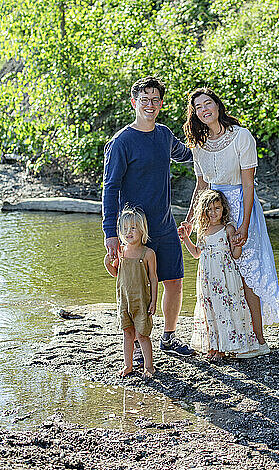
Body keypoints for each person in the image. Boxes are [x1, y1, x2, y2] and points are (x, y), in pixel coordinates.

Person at [180, 88, 279, 358]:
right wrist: (191, 221)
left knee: (248, 275)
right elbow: (201, 185)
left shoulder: (241, 136)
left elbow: (249, 184)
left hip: (240, 207)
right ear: (195, 114)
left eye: (208, 103)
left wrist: (245, 225)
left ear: (217, 106)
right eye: (198, 107)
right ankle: (231, 339)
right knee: (221, 276)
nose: (204, 109)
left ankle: (259, 340)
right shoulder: (198, 145)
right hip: (212, 211)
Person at [102, 76, 194, 365]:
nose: (150, 105)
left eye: (155, 100)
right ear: (134, 103)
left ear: (161, 103)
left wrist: (219, 142)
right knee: (137, 287)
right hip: (133, 229)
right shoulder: (121, 142)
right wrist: (110, 232)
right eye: (145, 100)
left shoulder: (165, 135)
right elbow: (110, 187)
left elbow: (190, 155)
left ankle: (168, 336)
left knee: (175, 281)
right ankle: (141, 345)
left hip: (165, 223)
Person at [179, 189, 258, 361]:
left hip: (224, 275)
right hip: (207, 276)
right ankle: (213, 345)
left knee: (224, 307)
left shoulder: (227, 228)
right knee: (210, 309)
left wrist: (239, 244)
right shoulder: (203, 229)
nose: (213, 212)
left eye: (217, 208)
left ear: (223, 209)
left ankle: (224, 347)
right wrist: (186, 239)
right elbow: (196, 253)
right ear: (204, 211)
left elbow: (235, 254)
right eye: (210, 209)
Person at [104, 207, 158, 377]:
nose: (129, 232)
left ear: (142, 230)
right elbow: (116, 274)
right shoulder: (121, 252)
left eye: (133, 228)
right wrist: (107, 263)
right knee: (127, 333)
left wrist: (154, 301)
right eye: (125, 228)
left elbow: (154, 278)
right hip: (124, 300)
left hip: (142, 301)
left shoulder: (148, 253)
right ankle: (128, 365)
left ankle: (149, 366)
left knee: (142, 335)